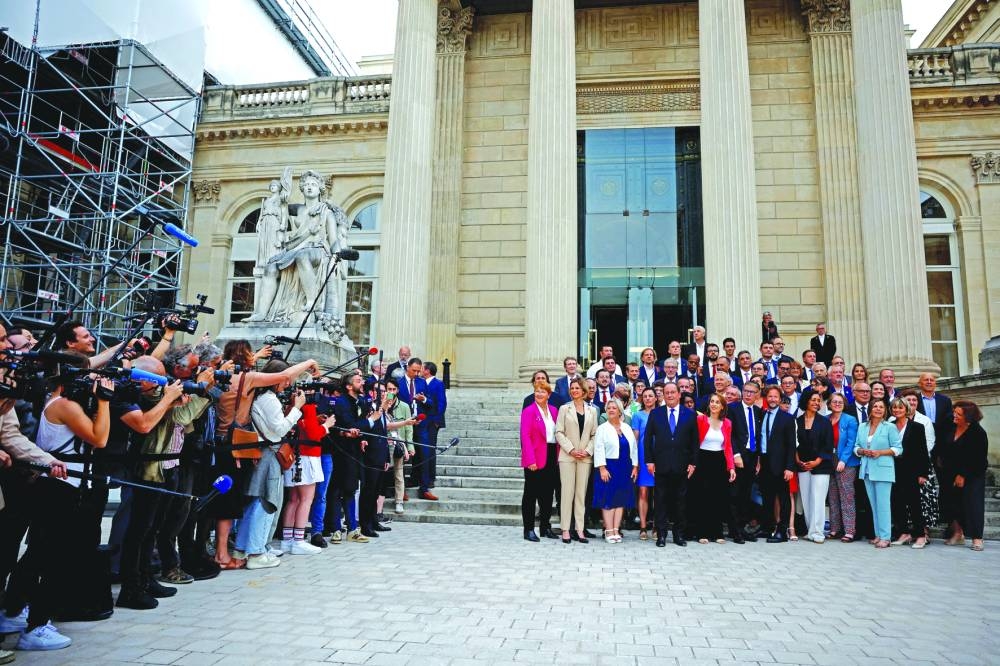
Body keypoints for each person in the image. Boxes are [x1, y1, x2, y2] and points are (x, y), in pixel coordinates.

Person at [5, 374, 112, 650]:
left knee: (39, 555)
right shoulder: (65, 404)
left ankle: (13, 611)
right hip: (59, 487)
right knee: (53, 558)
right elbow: (100, 438)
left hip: (58, 485)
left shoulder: (62, 401)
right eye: (88, 380)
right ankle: (36, 626)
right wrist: (104, 402)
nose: (93, 384)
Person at [644, 383, 698, 547]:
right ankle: (661, 535)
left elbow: (695, 441)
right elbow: (647, 439)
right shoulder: (656, 413)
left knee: (680, 502)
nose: (669, 395)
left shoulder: (689, 414)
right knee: (660, 501)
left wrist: (693, 463)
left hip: (682, 465)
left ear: (679, 394)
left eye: (673, 392)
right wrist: (649, 461)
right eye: (666, 393)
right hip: (661, 465)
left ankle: (678, 535)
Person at [854, 399, 902, 548]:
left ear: (885, 410)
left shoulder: (890, 427)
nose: (878, 409)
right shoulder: (862, 426)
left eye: (881, 407)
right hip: (867, 470)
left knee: (883, 505)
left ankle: (886, 537)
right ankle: (878, 535)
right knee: (873, 505)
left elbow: (898, 449)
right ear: (870, 409)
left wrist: (880, 452)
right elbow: (856, 447)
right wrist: (861, 451)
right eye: (875, 406)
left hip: (883, 470)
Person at [554, 377, 598, 544]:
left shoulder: (592, 410)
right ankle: (565, 529)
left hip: (585, 458)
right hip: (567, 457)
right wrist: (571, 449)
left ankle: (580, 529)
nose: (574, 391)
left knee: (581, 494)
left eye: (577, 388)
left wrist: (587, 451)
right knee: (567, 493)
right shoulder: (564, 409)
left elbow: (595, 434)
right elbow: (559, 432)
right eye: (572, 388)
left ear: (584, 391)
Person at [943, 401, 988, 551]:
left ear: (968, 416)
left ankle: (977, 538)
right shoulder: (951, 426)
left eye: (958, 414)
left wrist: (963, 475)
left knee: (973, 504)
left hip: (973, 474)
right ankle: (958, 533)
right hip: (950, 473)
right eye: (954, 412)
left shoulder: (978, 432)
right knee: (951, 502)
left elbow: (978, 459)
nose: (954, 416)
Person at [691, 393, 736, 544]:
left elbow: (728, 446)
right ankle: (701, 532)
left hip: (719, 461)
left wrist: (731, 467)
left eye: (718, 402)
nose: (714, 404)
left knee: (718, 497)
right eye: (712, 401)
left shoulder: (727, 423)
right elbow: (694, 442)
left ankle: (717, 533)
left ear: (723, 406)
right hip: (703, 460)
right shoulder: (701, 419)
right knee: (702, 497)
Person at [592, 399, 638, 544]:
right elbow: (598, 448)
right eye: (609, 408)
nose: (611, 410)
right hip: (609, 466)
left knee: (621, 499)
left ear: (620, 411)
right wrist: (602, 468)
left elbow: (634, 448)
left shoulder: (626, 428)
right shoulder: (602, 428)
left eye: (614, 408)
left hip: (625, 467)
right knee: (608, 499)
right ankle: (608, 530)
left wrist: (635, 466)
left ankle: (616, 529)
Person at [519, 382, 559, 542]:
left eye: (543, 392)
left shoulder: (554, 411)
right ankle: (528, 529)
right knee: (530, 494)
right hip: (535, 456)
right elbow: (525, 436)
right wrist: (530, 459)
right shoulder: (529, 411)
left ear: (549, 395)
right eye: (537, 391)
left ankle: (545, 527)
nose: (539, 394)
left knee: (548, 494)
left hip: (551, 454)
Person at [757, 386, 797, 542]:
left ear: (780, 399)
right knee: (767, 496)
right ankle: (767, 527)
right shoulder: (763, 414)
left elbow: (791, 445)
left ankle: (782, 531)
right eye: (770, 396)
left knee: (783, 498)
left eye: (775, 397)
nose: (772, 399)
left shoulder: (786, 418)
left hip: (781, 465)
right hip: (766, 462)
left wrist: (789, 467)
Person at [889, 397, 929, 549]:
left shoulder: (917, 427)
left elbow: (922, 451)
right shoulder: (889, 426)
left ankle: (920, 535)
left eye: (900, 408)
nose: (897, 410)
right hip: (893, 470)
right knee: (897, 503)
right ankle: (904, 533)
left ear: (906, 409)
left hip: (912, 471)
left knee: (914, 504)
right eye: (894, 408)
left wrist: (923, 474)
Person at [795, 389, 834, 543]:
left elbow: (828, 445)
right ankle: (810, 530)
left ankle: (818, 532)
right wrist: (798, 461)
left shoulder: (824, 422)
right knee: (806, 499)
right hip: (802, 465)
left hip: (821, 466)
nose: (816, 403)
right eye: (813, 400)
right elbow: (793, 444)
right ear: (806, 400)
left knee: (818, 499)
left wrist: (817, 461)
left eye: (818, 400)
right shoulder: (797, 421)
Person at [826, 393, 859, 542]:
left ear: (844, 404)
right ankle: (835, 528)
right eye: (834, 401)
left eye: (840, 402)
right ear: (830, 404)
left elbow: (851, 441)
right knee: (832, 496)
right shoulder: (827, 419)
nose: (837, 404)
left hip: (845, 461)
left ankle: (850, 530)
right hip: (829, 460)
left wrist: (843, 460)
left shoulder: (850, 419)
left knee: (847, 496)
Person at [630, 388, 658, 540]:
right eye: (645, 396)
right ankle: (643, 526)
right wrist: (635, 462)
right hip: (642, 456)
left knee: (658, 494)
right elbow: (635, 439)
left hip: (659, 457)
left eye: (650, 396)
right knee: (643, 492)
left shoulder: (661, 413)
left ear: (656, 398)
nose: (647, 398)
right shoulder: (637, 415)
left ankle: (656, 526)